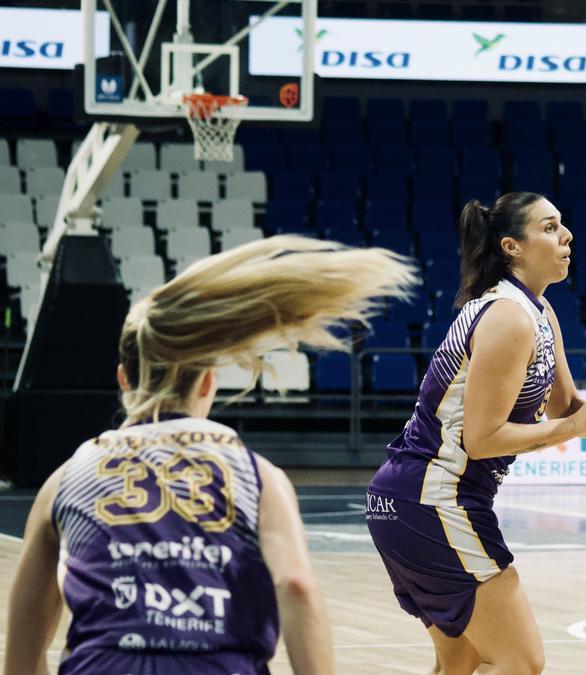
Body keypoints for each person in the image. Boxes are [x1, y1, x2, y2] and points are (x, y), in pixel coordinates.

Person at [4, 235, 418, 674]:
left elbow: (24, 651)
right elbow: (295, 585)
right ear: (207, 383)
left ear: (123, 379)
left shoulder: (67, 477)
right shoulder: (257, 474)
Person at [366, 192, 586, 675]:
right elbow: (482, 439)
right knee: (520, 662)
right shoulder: (508, 317)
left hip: (409, 500)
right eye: (549, 227)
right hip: (434, 499)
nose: (566, 235)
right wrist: (569, 429)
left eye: (562, 225)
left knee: (460, 663)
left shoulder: (539, 313)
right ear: (512, 247)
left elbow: (566, 405)